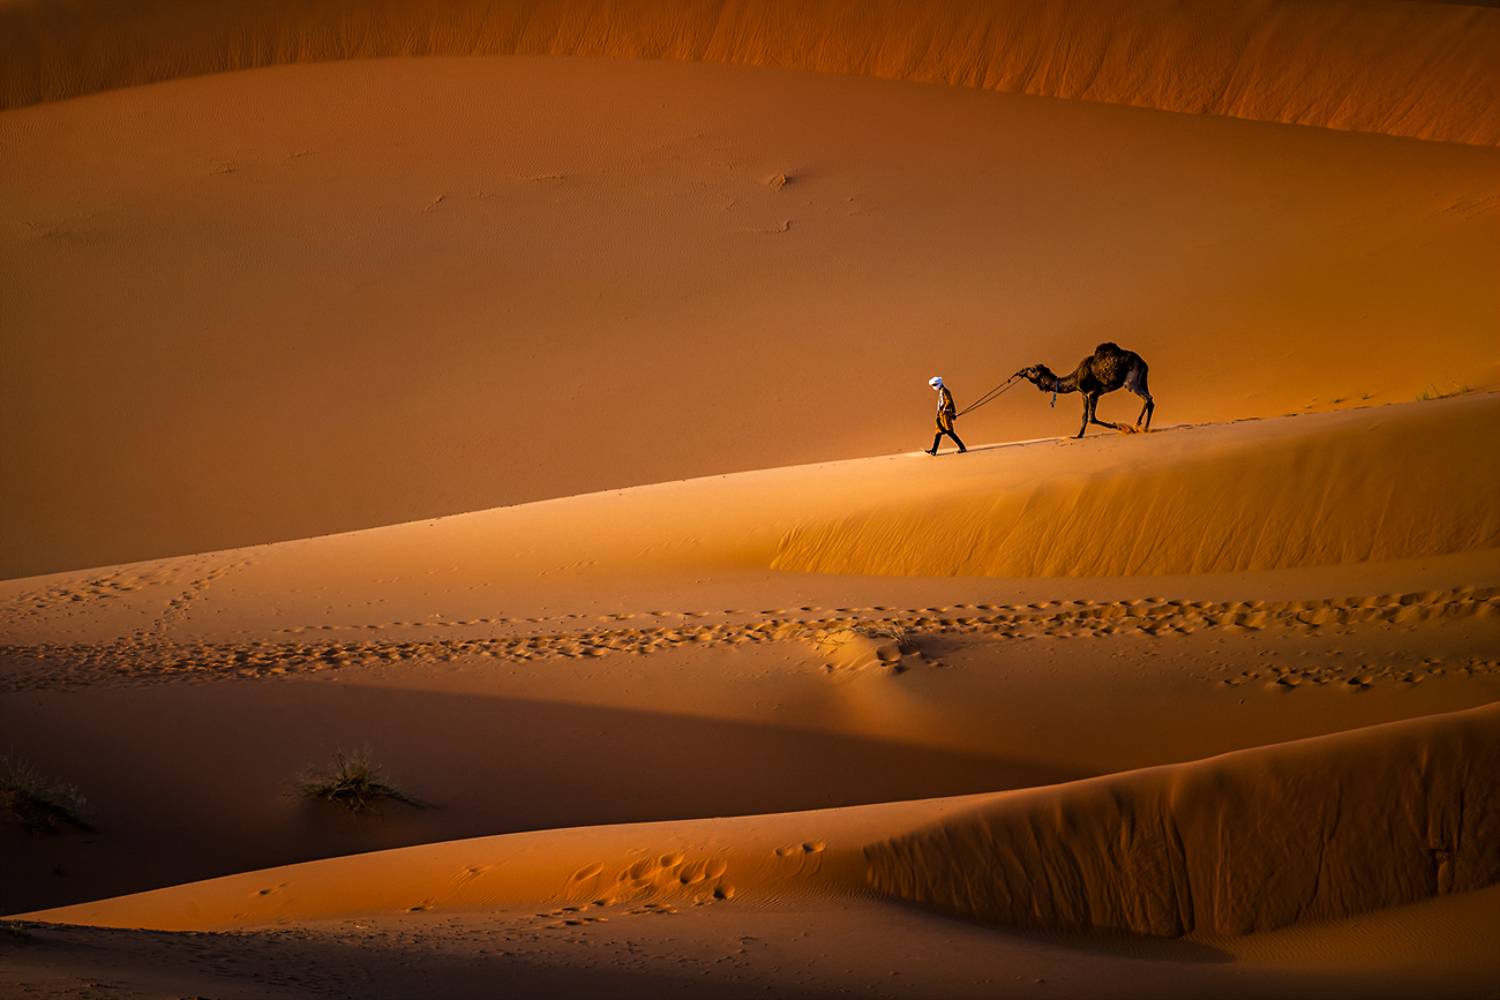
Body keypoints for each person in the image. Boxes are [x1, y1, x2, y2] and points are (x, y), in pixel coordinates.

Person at [926, 376, 967, 455]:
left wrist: (946, 409)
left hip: (945, 415)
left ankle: (962, 448)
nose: (933, 387)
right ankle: (933, 451)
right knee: (938, 433)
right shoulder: (942, 391)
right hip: (941, 415)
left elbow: (949, 401)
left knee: (949, 431)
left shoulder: (945, 391)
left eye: (934, 385)